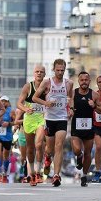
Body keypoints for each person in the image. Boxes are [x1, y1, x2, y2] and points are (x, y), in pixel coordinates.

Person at [33, 58, 73, 187]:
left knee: (59, 145)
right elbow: (35, 97)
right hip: (49, 119)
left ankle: (56, 175)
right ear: (53, 70)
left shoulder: (69, 83)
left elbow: (71, 97)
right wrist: (46, 103)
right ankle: (47, 158)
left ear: (65, 70)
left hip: (61, 118)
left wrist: (71, 109)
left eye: (62, 70)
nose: (60, 72)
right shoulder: (47, 82)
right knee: (49, 149)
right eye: (58, 70)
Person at [70, 72, 101, 187]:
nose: (84, 82)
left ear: (89, 81)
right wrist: (70, 110)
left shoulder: (94, 95)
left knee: (88, 153)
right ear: (78, 81)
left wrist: (94, 106)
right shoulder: (73, 93)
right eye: (82, 80)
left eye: (86, 80)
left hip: (89, 127)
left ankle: (84, 176)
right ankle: (79, 156)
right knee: (77, 150)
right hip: (76, 126)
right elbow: (69, 106)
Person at [17, 65, 47, 184]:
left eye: (41, 72)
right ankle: (31, 174)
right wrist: (25, 109)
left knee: (38, 145)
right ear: (34, 74)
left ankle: (37, 171)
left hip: (41, 119)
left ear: (44, 74)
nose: (39, 74)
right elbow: (19, 103)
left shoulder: (47, 87)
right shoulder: (28, 86)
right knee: (30, 150)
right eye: (37, 72)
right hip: (29, 120)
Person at [0, 96, 14, 183]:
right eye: (1, 101)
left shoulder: (11, 111)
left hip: (8, 136)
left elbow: (16, 122)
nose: (3, 103)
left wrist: (9, 123)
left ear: (7, 102)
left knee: (6, 156)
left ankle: (5, 174)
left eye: (5, 101)